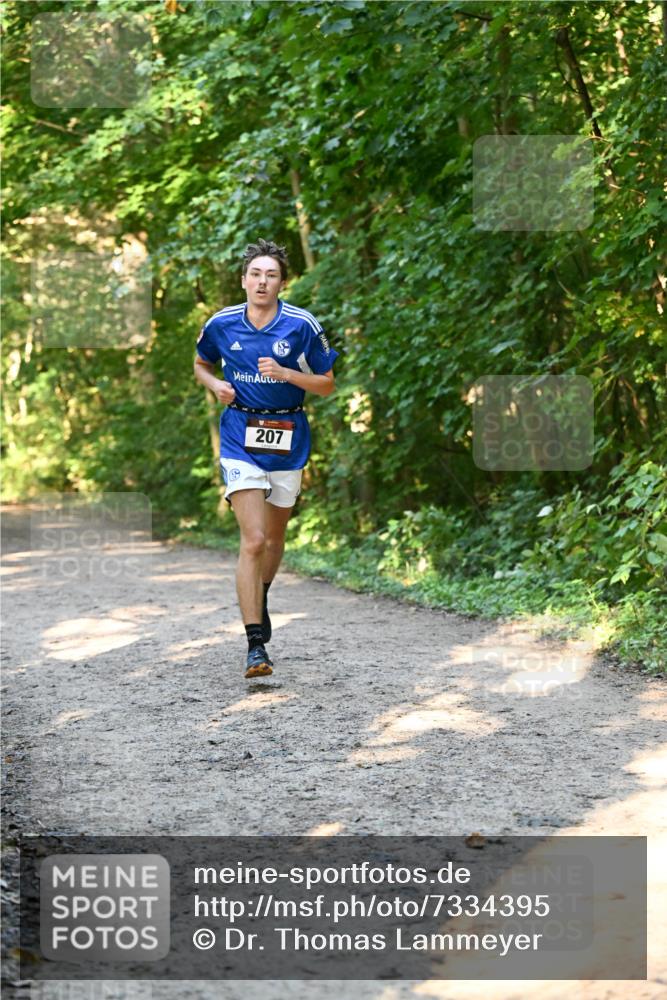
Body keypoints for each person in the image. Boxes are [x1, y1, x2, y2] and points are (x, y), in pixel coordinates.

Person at [194, 239, 338, 679]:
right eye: (255, 274)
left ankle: (263, 592)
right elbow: (200, 363)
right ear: (243, 280)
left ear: (281, 282)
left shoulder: (301, 324)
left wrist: (288, 374)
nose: (262, 281)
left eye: (270, 274)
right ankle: (255, 644)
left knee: (275, 541)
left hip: (288, 433)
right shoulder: (221, 324)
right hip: (239, 433)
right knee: (253, 540)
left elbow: (327, 383)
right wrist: (213, 384)